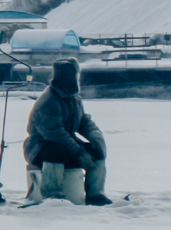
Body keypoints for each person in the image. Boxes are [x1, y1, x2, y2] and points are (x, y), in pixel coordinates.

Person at [24, 59, 111, 205]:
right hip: (40, 147)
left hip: (66, 144)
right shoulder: (48, 101)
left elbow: (82, 121)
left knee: (96, 152)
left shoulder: (73, 97)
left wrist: (95, 135)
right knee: (56, 150)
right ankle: (52, 194)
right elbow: (55, 134)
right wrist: (78, 152)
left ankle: (95, 194)